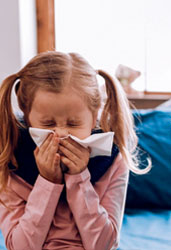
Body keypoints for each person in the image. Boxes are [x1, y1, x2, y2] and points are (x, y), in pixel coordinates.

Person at [0, 51, 147, 250]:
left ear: (94, 115)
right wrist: (47, 182)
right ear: (27, 116)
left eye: (74, 123)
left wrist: (79, 179)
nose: (60, 133)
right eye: (48, 123)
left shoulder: (113, 161)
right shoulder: (10, 161)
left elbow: (103, 244)